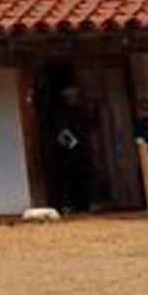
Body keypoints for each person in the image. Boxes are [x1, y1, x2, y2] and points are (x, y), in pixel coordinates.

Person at [51, 85, 95, 213]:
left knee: (85, 176)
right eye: (71, 96)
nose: (74, 98)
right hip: (67, 152)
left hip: (81, 150)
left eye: (75, 96)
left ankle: (86, 204)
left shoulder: (81, 111)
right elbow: (61, 131)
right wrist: (71, 143)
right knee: (68, 179)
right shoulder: (61, 113)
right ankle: (68, 205)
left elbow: (88, 126)